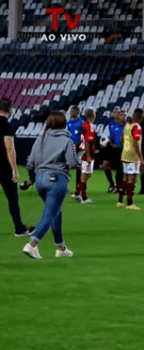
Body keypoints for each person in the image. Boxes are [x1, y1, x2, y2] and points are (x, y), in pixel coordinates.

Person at [22, 111, 80, 259]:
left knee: (55, 212)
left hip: (40, 181)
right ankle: (32, 245)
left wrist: (32, 179)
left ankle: (61, 248)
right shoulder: (66, 140)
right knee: (49, 213)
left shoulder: (40, 138)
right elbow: (72, 163)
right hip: (57, 180)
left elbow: (30, 163)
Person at [0, 98, 35, 236]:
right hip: (4, 167)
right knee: (12, 199)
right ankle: (19, 228)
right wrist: (14, 169)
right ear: (9, 110)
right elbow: (10, 149)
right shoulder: (6, 125)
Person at [118, 108, 144, 210]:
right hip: (133, 156)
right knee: (132, 180)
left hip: (124, 154)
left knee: (125, 178)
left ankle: (120, 201)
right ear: (138, 116)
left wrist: (125, 148)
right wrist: (141, 158)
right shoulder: (137, 126)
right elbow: (135, 142)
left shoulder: (127, 125)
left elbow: (122, 138)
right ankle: (130, 203)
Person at [73, 108, 97, 204]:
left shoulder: (85, 125)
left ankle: (77, 193)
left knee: (87, 174)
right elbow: (87, 142)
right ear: (92, 115)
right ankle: (84, 198)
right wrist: (88, 155)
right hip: (87, 153)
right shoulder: (90, 126)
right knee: (85, 175)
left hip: (86, 152)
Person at [102, 107, 125, 193]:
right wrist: (108, 142)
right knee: (105, 165)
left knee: (119, 169)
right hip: (110, 148)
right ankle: (112, 184)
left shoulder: (124, 125)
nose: (116, 114)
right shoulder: (110, 125)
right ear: (112, 114)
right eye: (114, 112)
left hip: (120, 149)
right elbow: (106, 137)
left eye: (118, 112)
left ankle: (118, 186)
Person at [66, 105, 83, 193]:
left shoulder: (81, 122)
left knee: (79, 167)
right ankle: (66, 185)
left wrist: (80, 144)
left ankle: (78, 186)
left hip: (79, 148)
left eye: (74, 111)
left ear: (77, 112)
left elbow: (83, 135)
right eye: (71, 111)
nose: (72, 113)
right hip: (70, 147)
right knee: (66, 167)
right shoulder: (68, 123)